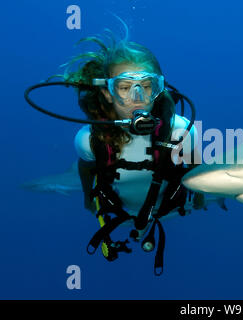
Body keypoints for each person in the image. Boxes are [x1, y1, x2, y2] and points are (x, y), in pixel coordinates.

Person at [62, 24, 202, 272]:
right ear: (107, 92)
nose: (138, 98)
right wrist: (87, 198)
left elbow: (198, 170)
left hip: (170, 209)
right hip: (121, 213)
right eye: (125, 88)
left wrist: (199, 197)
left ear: (159, 89)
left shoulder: (183, 131)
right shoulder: (88, 139)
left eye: (147, 86)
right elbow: (86, 169)